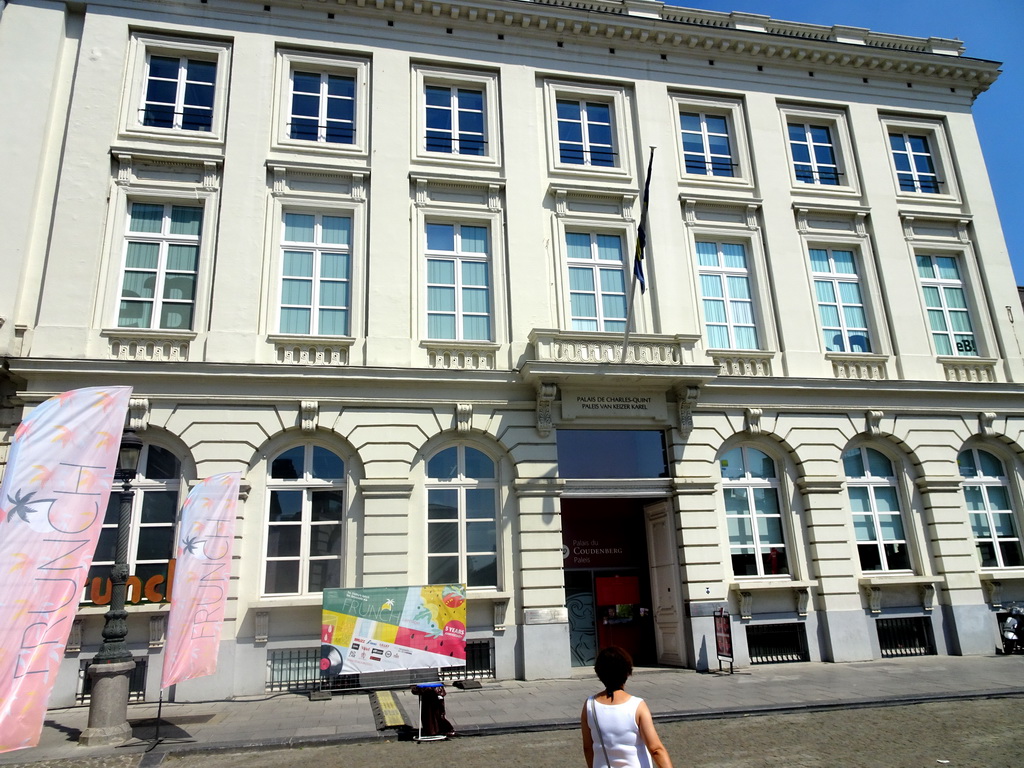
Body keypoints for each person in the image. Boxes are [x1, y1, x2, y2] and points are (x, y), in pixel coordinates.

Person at [581, 646, 673, 768]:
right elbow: (655, 749)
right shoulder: (637, 706)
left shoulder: (589, 705)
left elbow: (588, 748)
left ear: (599, 673)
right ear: (627, 672)